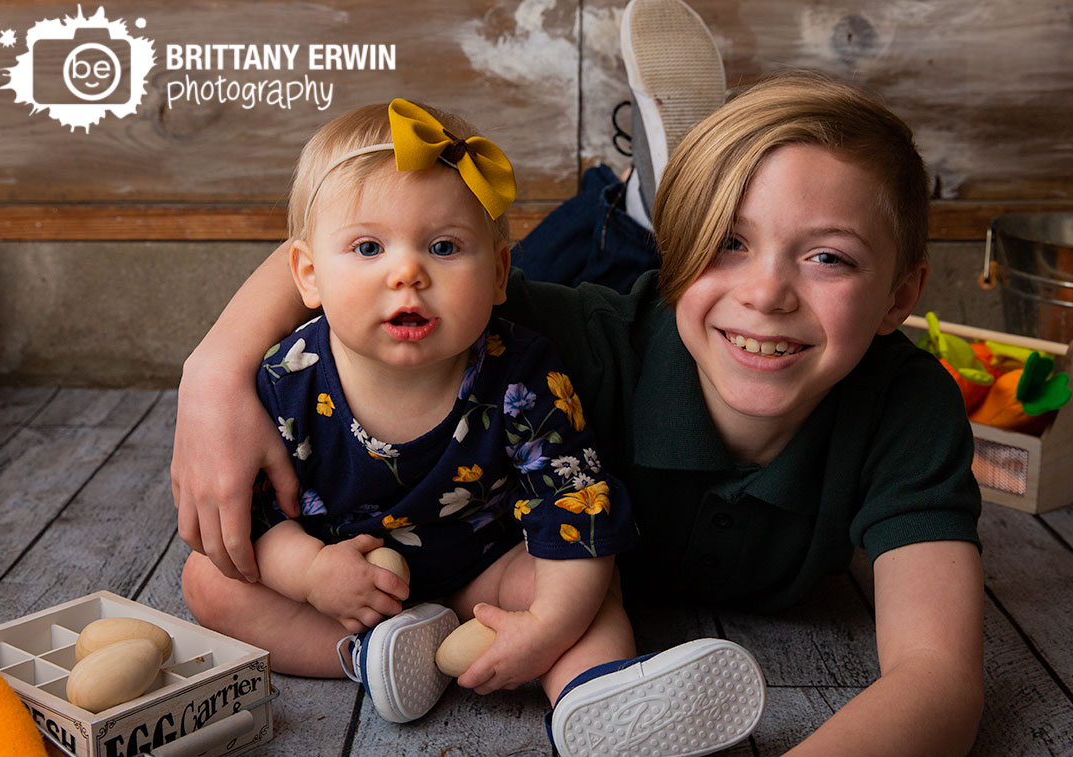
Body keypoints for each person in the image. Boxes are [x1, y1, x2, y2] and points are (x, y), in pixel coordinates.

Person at [173, 2, 985, 754]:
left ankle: (658, 196)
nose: (768, 294)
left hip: (543, 484)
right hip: (607, 305)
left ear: (901, 298)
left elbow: (941, 678)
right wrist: (213, 368)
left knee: (521, 274)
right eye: (730, 242)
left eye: (829, 257)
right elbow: (369, 244)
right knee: (550, 261)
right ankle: (644, 202)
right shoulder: (578, 339)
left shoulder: (908, 407)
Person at [179, 96, 765, 754]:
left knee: (585, 581)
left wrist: (546, 624)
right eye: (368, 246)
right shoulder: (288, 377)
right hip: (347, 582)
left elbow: (572, 501)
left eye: (445, 246)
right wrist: (312, 572)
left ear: (498, 274)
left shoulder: (521, 374)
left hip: (487, 568)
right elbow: (261, 512)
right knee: (210, 578)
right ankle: (367, 656)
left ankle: (594, 695)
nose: (408, 272)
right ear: (308, 275)